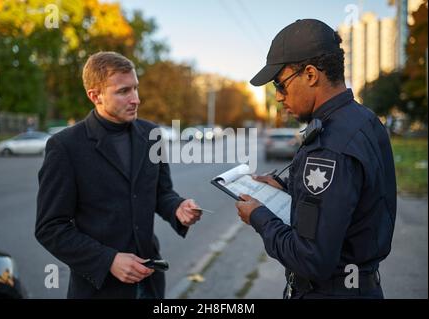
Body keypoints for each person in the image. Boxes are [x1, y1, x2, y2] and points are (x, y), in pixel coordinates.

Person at [235, 19, 396, 299]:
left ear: (310, 75)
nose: (278, 96)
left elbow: (310, 259)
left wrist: (258, 216)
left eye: (280, 84)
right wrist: (287, 188)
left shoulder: (328, 146)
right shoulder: (363, 120)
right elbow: (345, 201)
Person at [35, 51, 202, 299]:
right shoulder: (65, 146)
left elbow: (161, 193)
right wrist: (108, 260)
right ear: (95, 96)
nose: (136, 99)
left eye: (135, 88)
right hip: (99, 289)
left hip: (151, 281)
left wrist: (178, 208)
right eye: (124, 91)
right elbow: (50, 227)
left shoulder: (152, 133)